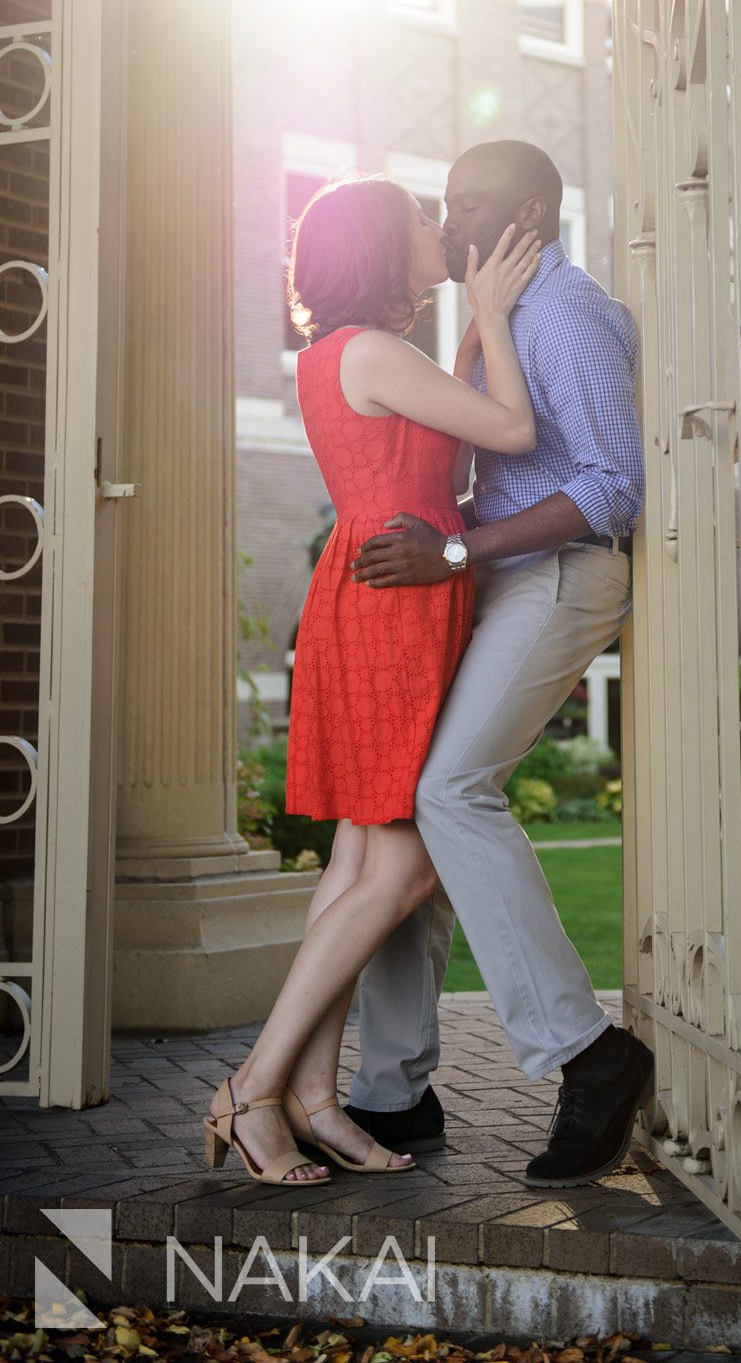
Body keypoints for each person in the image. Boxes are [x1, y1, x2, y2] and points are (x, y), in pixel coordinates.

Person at [204, 176, 541, 1185]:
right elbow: (512, 432)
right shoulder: (374, 352)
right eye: (421, 222)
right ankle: (251, 1088)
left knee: (356, 865)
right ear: (380, 250)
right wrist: (488, 314)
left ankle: (309, 1097)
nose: (440, 230)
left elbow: (433, 431)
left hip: (372, 596)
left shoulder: (340, 354)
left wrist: (471, 340)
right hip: (396, 605)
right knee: (402, 868)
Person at [347, 140, 653, 1188]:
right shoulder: (494, 310)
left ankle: (589, 1053)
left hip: (558, 571)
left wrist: (456, 549)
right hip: (486, 568)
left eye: (471, 202)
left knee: (451, 789)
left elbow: (614, 484)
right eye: (445, 201)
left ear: (531, 209)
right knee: (403, 802)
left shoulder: (562, 312)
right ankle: (393, 1089)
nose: (451, 217)